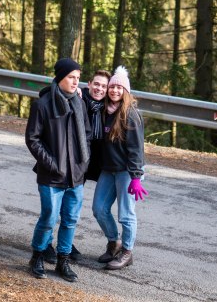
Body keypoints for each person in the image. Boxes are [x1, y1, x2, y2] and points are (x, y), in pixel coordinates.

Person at [25, 58, 92, 282]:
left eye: (78, 78)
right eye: (71, 77)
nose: (76, 82)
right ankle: (37, 257)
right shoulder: (42, 105)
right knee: (48, 218)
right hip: (51, 176)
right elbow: (33, 139)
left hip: (76, 176)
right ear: (60, 77)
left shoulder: (79, 103)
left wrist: (83, 163)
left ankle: (63, 260)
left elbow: (87, 135)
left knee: (70, 219)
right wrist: (53, 165)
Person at [42, 69, 111, 265]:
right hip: (70, 161)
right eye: (96, 84)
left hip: (90, 164)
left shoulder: (109, 107)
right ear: (88, 84)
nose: (99, 89)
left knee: (72, 209)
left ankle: (66, 243)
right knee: (55, 206)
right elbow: (52, 93)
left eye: (104, 86)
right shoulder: (78, 98)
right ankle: (46, 244)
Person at [92, 65, 147, 270]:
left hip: (127, 171)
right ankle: (114, 242)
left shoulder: (130, 115)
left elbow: (136, 149)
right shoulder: (103, 110)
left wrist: (136, 176)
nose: (114, 90)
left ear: (126, 91)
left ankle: (127, 251)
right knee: (99, 209)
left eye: (119, 88)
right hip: (108, 169)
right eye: (112, 87)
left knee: (125, 213)